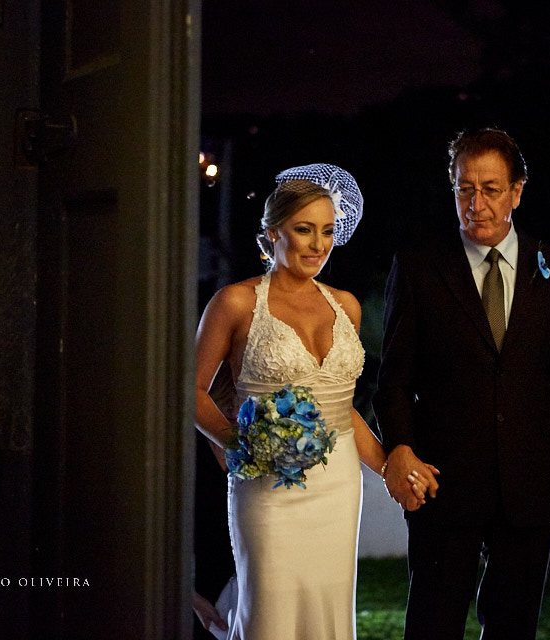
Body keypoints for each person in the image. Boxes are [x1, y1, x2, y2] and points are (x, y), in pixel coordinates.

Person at [373, 128, 550, 640]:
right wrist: (400, 447)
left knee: (514, 628)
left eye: (490, 189)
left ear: (517, 191)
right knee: (432, 625)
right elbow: (395, 378)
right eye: (463, 189)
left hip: (530, 487)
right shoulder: (419, 266)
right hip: (441, 484)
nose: (476, 204)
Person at [194, 163, 429, 640]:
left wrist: (391, 468)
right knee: (270, 609)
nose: (319, 244)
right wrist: (242, 444)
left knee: (328, 609)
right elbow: (190, 391)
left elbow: (343, 413)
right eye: (304, 230)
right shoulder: (236, 303)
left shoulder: (346, 305)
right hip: (266, 489)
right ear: (273, 231)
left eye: (327, 231)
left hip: (339, 487)